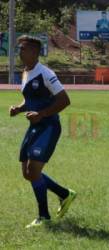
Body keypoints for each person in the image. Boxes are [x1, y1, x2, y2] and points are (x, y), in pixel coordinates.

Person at [10, 35, 76, 228]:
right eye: (19, 48)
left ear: (34, 52)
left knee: (33, 171)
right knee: (27, 172)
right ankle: (65, 194)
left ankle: (44, 216)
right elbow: (30, 100)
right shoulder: (25, 72)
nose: (20, 51)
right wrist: (19, 108)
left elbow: (64, 100)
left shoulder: (45, 73)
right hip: (35, 126)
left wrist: (42, 114)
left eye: (23, 48)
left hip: (48, 126)